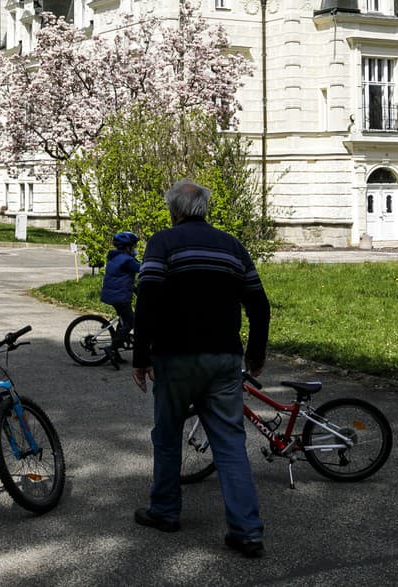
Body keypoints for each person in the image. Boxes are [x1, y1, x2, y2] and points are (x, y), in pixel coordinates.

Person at [131, 179, 270, 559]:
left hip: (175, 358)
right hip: (224, 358)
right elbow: (259, 304)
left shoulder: (162, 243)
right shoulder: (232, 246)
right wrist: (254, 353)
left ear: (174, 211)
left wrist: (140, 356)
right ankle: (247, 531)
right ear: (204, 210)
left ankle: (164, 511)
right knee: (230, 444)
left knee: (168, 435)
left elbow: (148, 299)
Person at [99, 231, 141, 368]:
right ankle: (111, 348)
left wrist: (134, 289)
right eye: (134, 246)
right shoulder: (127, 260)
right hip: (120, 296)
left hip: (114, 294)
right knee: (130, 322)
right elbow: (142, 268)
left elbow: (121, 278)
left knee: (123, 321)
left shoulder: (115, 257)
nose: (135, 249)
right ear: (127, 247)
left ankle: (116, 351)